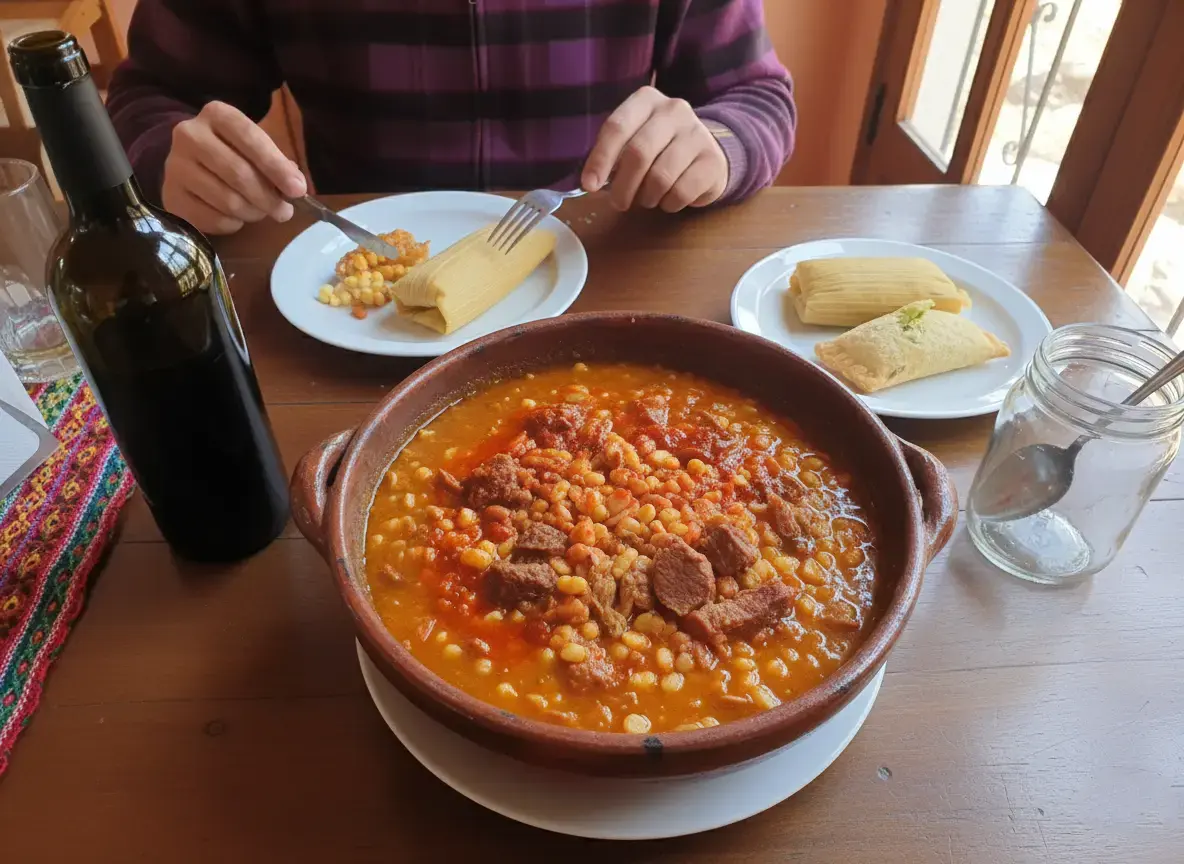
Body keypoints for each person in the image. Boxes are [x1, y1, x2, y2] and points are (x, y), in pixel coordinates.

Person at [106, 1, 795, 236]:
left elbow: (757, 100)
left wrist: (719, 148)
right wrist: (170, 157)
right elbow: (145, 99)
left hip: (600, 269)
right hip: (356, 302)